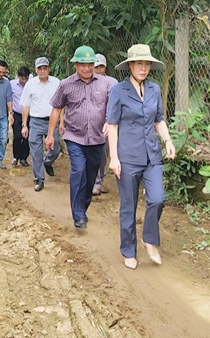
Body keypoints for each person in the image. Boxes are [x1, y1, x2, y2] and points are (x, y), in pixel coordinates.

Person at [107, 44, 175, 270]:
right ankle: (128, 250)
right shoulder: (119, 91)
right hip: (127, 157)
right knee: (129, 206)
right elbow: (113, 125)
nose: (143, 68)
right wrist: (114, 157)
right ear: (130, 66)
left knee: (157, 199)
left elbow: (159, 119)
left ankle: (149, 239)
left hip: (152, 155)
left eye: (146, 64)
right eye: (139, 64)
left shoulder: (154, 89)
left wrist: (168, 140)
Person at [45, 46, 111, 228]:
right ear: (75, 65)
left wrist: (109, 120)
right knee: (78, 171)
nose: (87, 69)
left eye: (90, 65)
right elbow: (56, 108)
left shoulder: (105, 84)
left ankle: (83, 207)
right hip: (74, 137)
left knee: (90, 177)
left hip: (97, 138)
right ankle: (78, 214)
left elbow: (113, 107)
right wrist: (50, 135)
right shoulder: (66, 84)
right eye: (83, 65)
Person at [21, 57, 61, 191]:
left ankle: (47, 162)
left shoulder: (56, 83)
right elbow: (25, 106)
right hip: (36, 121)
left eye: (45, 68)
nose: (43, 71)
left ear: (49, 69)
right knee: (36, 152)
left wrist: (62, 122)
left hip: (52, 121)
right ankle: (39, 179)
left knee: (55, 149)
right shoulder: (30, 84)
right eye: (40, 68)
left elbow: (62, 104)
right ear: (36, 70)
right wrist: (24, 125)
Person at [92, 53, 118, 196]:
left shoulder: (113, 83)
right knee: (93, 153)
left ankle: (99, 182)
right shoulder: (89, 82)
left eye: (101, 67)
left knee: (104, 153)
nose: (99, 70)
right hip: (92, 122)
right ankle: (94, 183)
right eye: (96, 67)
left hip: (109, 123)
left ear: (105, 67)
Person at [10, 66, 31, 166]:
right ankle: (16, 157)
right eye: (22, 78)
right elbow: (9, 98)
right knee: (17, 136)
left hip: (30, 115)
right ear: (18, 76)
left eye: (26, 78)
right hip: (17, 114)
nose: (24, 81)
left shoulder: (31, 85)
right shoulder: (12, 84)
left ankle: (23, 157)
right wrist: (10, 114)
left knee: (28, 137)